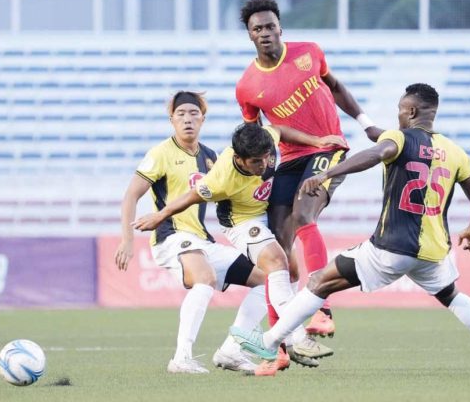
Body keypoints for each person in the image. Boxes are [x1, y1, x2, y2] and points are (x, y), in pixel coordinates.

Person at [231, 83, 470, 380]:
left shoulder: (398, 139)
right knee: (453, 296)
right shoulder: (455, 152)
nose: (398, 116)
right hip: (434, 252)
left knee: (319, 281)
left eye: (399, 111)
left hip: (391, 248)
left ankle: (268, 342)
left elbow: (378, 152)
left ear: (411, 111)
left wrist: (327, 173)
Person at [134, 123, 342, 376]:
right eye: (256, 162)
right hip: (241, 223)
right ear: (238, 159)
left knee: (288, 275)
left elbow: (278, 129)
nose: (264, 165)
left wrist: (317, 141)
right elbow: (190, 197)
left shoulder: (264, 141)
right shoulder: (220, 179)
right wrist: (161, 215)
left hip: (266, 214)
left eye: (267, 158)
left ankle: (231, 350)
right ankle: (297, 337)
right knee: (276, 263)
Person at [235, 0, 381, 338]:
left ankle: (322, 310)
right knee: (276, 244)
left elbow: (336, 88)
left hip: (328, 148)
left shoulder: (309, 52)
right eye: (258, 29)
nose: (266, 32)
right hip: (288, 157)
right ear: (250, 36)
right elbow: (256, 134)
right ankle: (280, 340)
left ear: (280, 27)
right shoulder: (246, 87)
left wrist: (367, 124)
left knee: (303, 214)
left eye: (271, 26)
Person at [114, 91, 268, 375]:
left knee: (266, 281)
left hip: (201, 240)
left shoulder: (212, 158)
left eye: (193, 114)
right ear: (171, 119)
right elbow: (131, 196)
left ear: (203, 119)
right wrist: (127, 240)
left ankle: (232, 350)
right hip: (171, 237)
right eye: (181, 114)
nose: (187, 119)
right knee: (205, 279)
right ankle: (181, 358)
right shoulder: (160, 154)